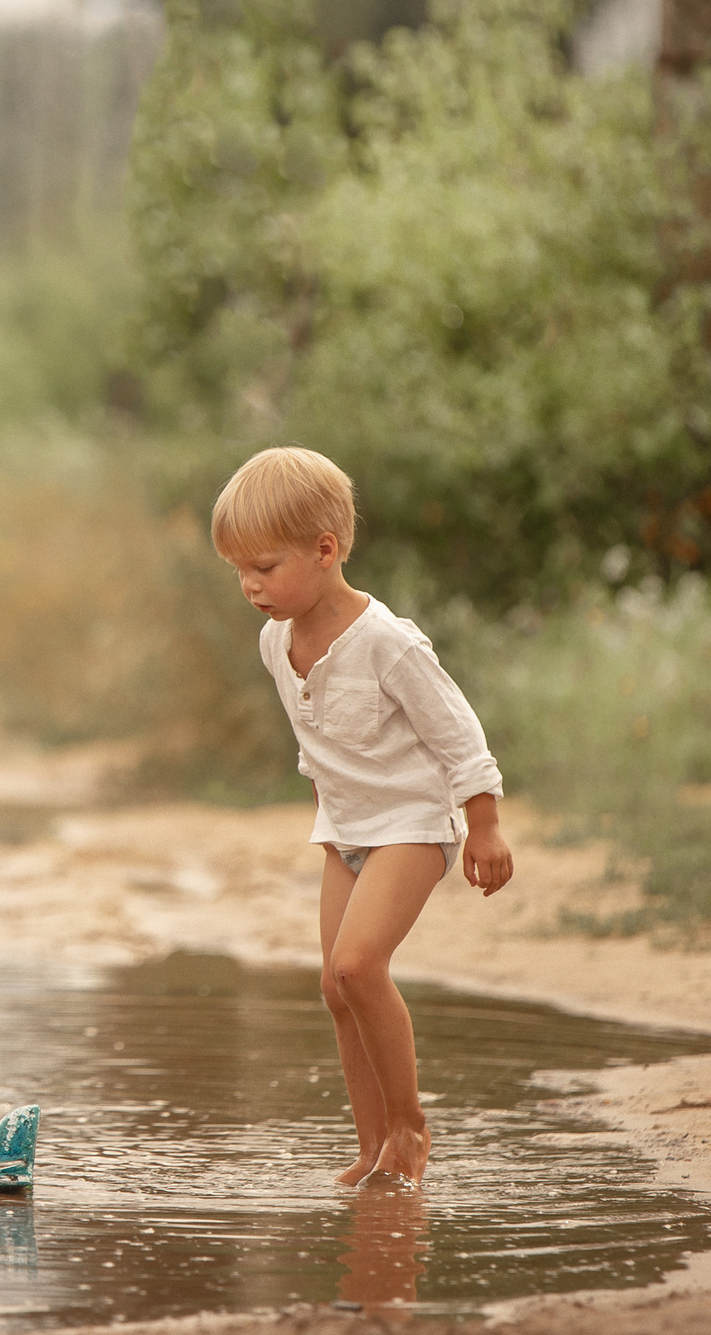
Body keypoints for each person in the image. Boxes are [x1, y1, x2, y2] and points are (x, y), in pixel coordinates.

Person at [212, 446, 513, 1187]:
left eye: (265, 566)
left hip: (411, 827)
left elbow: (458, 732)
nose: (251, 585)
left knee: (358, 965)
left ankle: (410, 1127)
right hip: (343, 834)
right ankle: (373, 1144)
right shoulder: (274, 640)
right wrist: (326, 805)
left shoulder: (388, 641)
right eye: (239, 570)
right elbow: (316, 740)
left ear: (325, 550)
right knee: (333, 986)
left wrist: (484, 824)